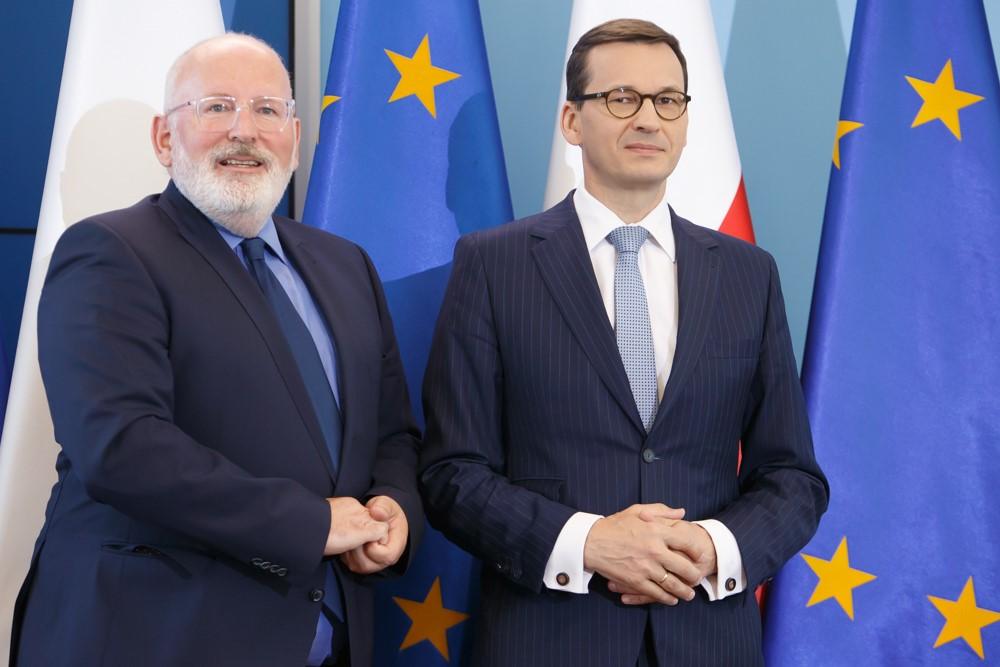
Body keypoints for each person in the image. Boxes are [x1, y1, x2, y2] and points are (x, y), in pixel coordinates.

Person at [420, 18, 828, 666]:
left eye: (667, 100)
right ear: (571, 121)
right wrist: (586, 543)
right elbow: (452, 473)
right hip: (547, 640)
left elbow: (792, 475)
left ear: (686, 120)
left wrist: (714, 548)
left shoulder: (748, 275)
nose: (647, 119)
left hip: (706, 638)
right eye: (621, 98)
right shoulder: (493, 266)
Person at [11, 34, 422, 667]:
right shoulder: (110, 253)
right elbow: (121, 446)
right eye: (217, 107)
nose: (244, 131)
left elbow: (390, 432)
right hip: (155, 638)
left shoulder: (346, 266)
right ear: (164, 139)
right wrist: (312, 523)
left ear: (294, 136)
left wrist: (392, 507)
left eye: (267, 110)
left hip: (328, 639)